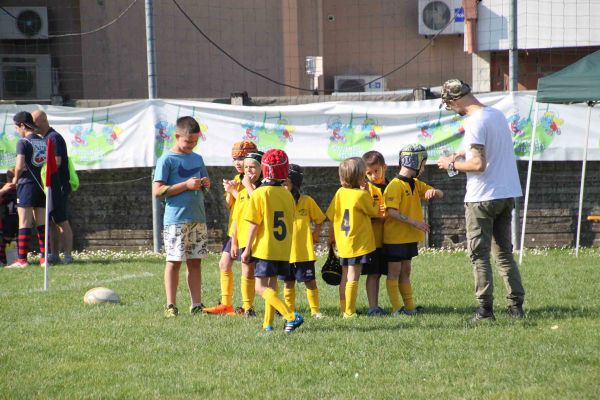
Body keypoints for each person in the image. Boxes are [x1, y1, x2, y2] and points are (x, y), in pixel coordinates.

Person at [437, 79, 525, 321]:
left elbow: (478, 164)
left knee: (479, 254)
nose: (452, 110)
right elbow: (476, 149)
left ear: (455, 100)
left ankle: (485, 310)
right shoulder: (495, 114)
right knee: (504, 254)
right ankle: (516, 306)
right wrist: (458, 153)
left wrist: (451, 164)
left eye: (450, 105)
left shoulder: (475, 122)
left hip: (482, 197)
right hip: (506, 193)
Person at [153, 116, 211, 317]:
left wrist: (205, 185)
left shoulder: (197, 159)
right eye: (188, 141)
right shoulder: (167, 159)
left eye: (195, 141)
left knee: (195, 262)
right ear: (177, 136)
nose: (191, 145)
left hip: (198, 218)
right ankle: (171, 305)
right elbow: (157, 190)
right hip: (176, 220)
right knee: (174, 261)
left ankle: (196, 304)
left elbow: (205, 185)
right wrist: (185, 185)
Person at [241, 149, 304, 332]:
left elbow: (254, 224)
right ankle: (268, 324)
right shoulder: (287, 194)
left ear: (265, 170)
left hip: (265, 249)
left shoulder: (260, 193)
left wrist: (247, 249)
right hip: (283, 249)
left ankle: (290, 316)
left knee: (261, 287)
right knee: (272, 286)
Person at [384, 144, 443, 316]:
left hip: (408, 238)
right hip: (395, 238)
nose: (423, 168)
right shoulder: (394, 185)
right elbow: (391, 211)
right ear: (414, 162)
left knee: (406, 272)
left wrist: (434, 192)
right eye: (423, 164)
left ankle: (409, 308)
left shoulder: (415, 184)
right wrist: (415, 223)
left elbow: (438, 192)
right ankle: (396, 309)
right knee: (394, 273)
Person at [204, 140, 257, 315]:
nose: (237, 162)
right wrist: (229, 190)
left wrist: (234, 191)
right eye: (235, 158)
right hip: (234, 230)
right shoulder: (237, 179)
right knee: (224, 264)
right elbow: (231, 206)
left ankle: (247, 307)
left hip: (247, 232)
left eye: (241, 158)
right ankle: (226, 304)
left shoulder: (255, 181)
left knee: (246, 267)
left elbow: (252, 204)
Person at [326, 157, 379, 318]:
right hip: (358, 242)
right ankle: (350, 311)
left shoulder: (340, 192)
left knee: (345, 277)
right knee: (353, 277)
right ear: (359, 177)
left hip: (343, 241)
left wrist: (331, 238)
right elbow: (374, 211)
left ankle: (344, 308)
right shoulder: (360, 195)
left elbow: (331, 214)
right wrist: (367, 192)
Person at [276, 164, 325, 320]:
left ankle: (315, 311)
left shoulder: (307, 201)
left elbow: (320, 219)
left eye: (286, 183)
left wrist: (316, 234)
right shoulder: (277, 201)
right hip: (285, 253)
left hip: (304, 252)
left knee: (310, 282)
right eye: (281, 182)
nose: (283, 186)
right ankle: (289, 312)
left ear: (295, 184)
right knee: (288, 284)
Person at [31, 110, 73, 265]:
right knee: (51, 222)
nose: (33, 126)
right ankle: (54, 254)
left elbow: (57, 161)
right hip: (50, 186)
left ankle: (68, 255)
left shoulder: (53, 138)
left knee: (62, 220)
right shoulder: (45, 138)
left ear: (43, 120)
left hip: (59, 185)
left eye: (35, 122)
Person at [5, 112, 47, 269]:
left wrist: (15, 179)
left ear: (22, 125)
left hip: (26, 185)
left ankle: (22, 260)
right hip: (42, 185)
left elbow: (20, 165)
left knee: (24, 221)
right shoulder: (43, 141)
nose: (17, 130)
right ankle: (44, 258)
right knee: (42, 223)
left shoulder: (22, 142)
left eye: (16, 127)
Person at [229, 150, 264, 317]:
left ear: (262, 168)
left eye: (253, 167)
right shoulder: (242, 193)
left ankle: (275, 306)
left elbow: (260, 204)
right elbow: (236, 218)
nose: (249, 171)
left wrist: (249, 186)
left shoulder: (264, 189)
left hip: (263, 240)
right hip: (244, 239)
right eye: (246, 167)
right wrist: (234, 242)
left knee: (266, 275)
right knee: (247, 271)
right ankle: (248, 307)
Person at [361, 151, 389, 317]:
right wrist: (378, 216)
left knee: (396, 272)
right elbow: (364, 213)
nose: (373, 176)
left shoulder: (394, 185)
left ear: (384, 167)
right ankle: (373, 307)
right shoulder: (366, 190)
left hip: (393, 239)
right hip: (373, 241)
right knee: (374, 274)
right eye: (369, 173)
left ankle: (400, 305)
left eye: (376, 171)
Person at [0, 169, 18, 265]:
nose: (10, 180)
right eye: (9, 177)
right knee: (6, 239)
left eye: (12, 177)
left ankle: (20, 259)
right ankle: (3, 260)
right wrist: (3, 191)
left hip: (20, 219)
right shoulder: (6, 189)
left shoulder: (23, 188)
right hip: (8, 218)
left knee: (19, 239)